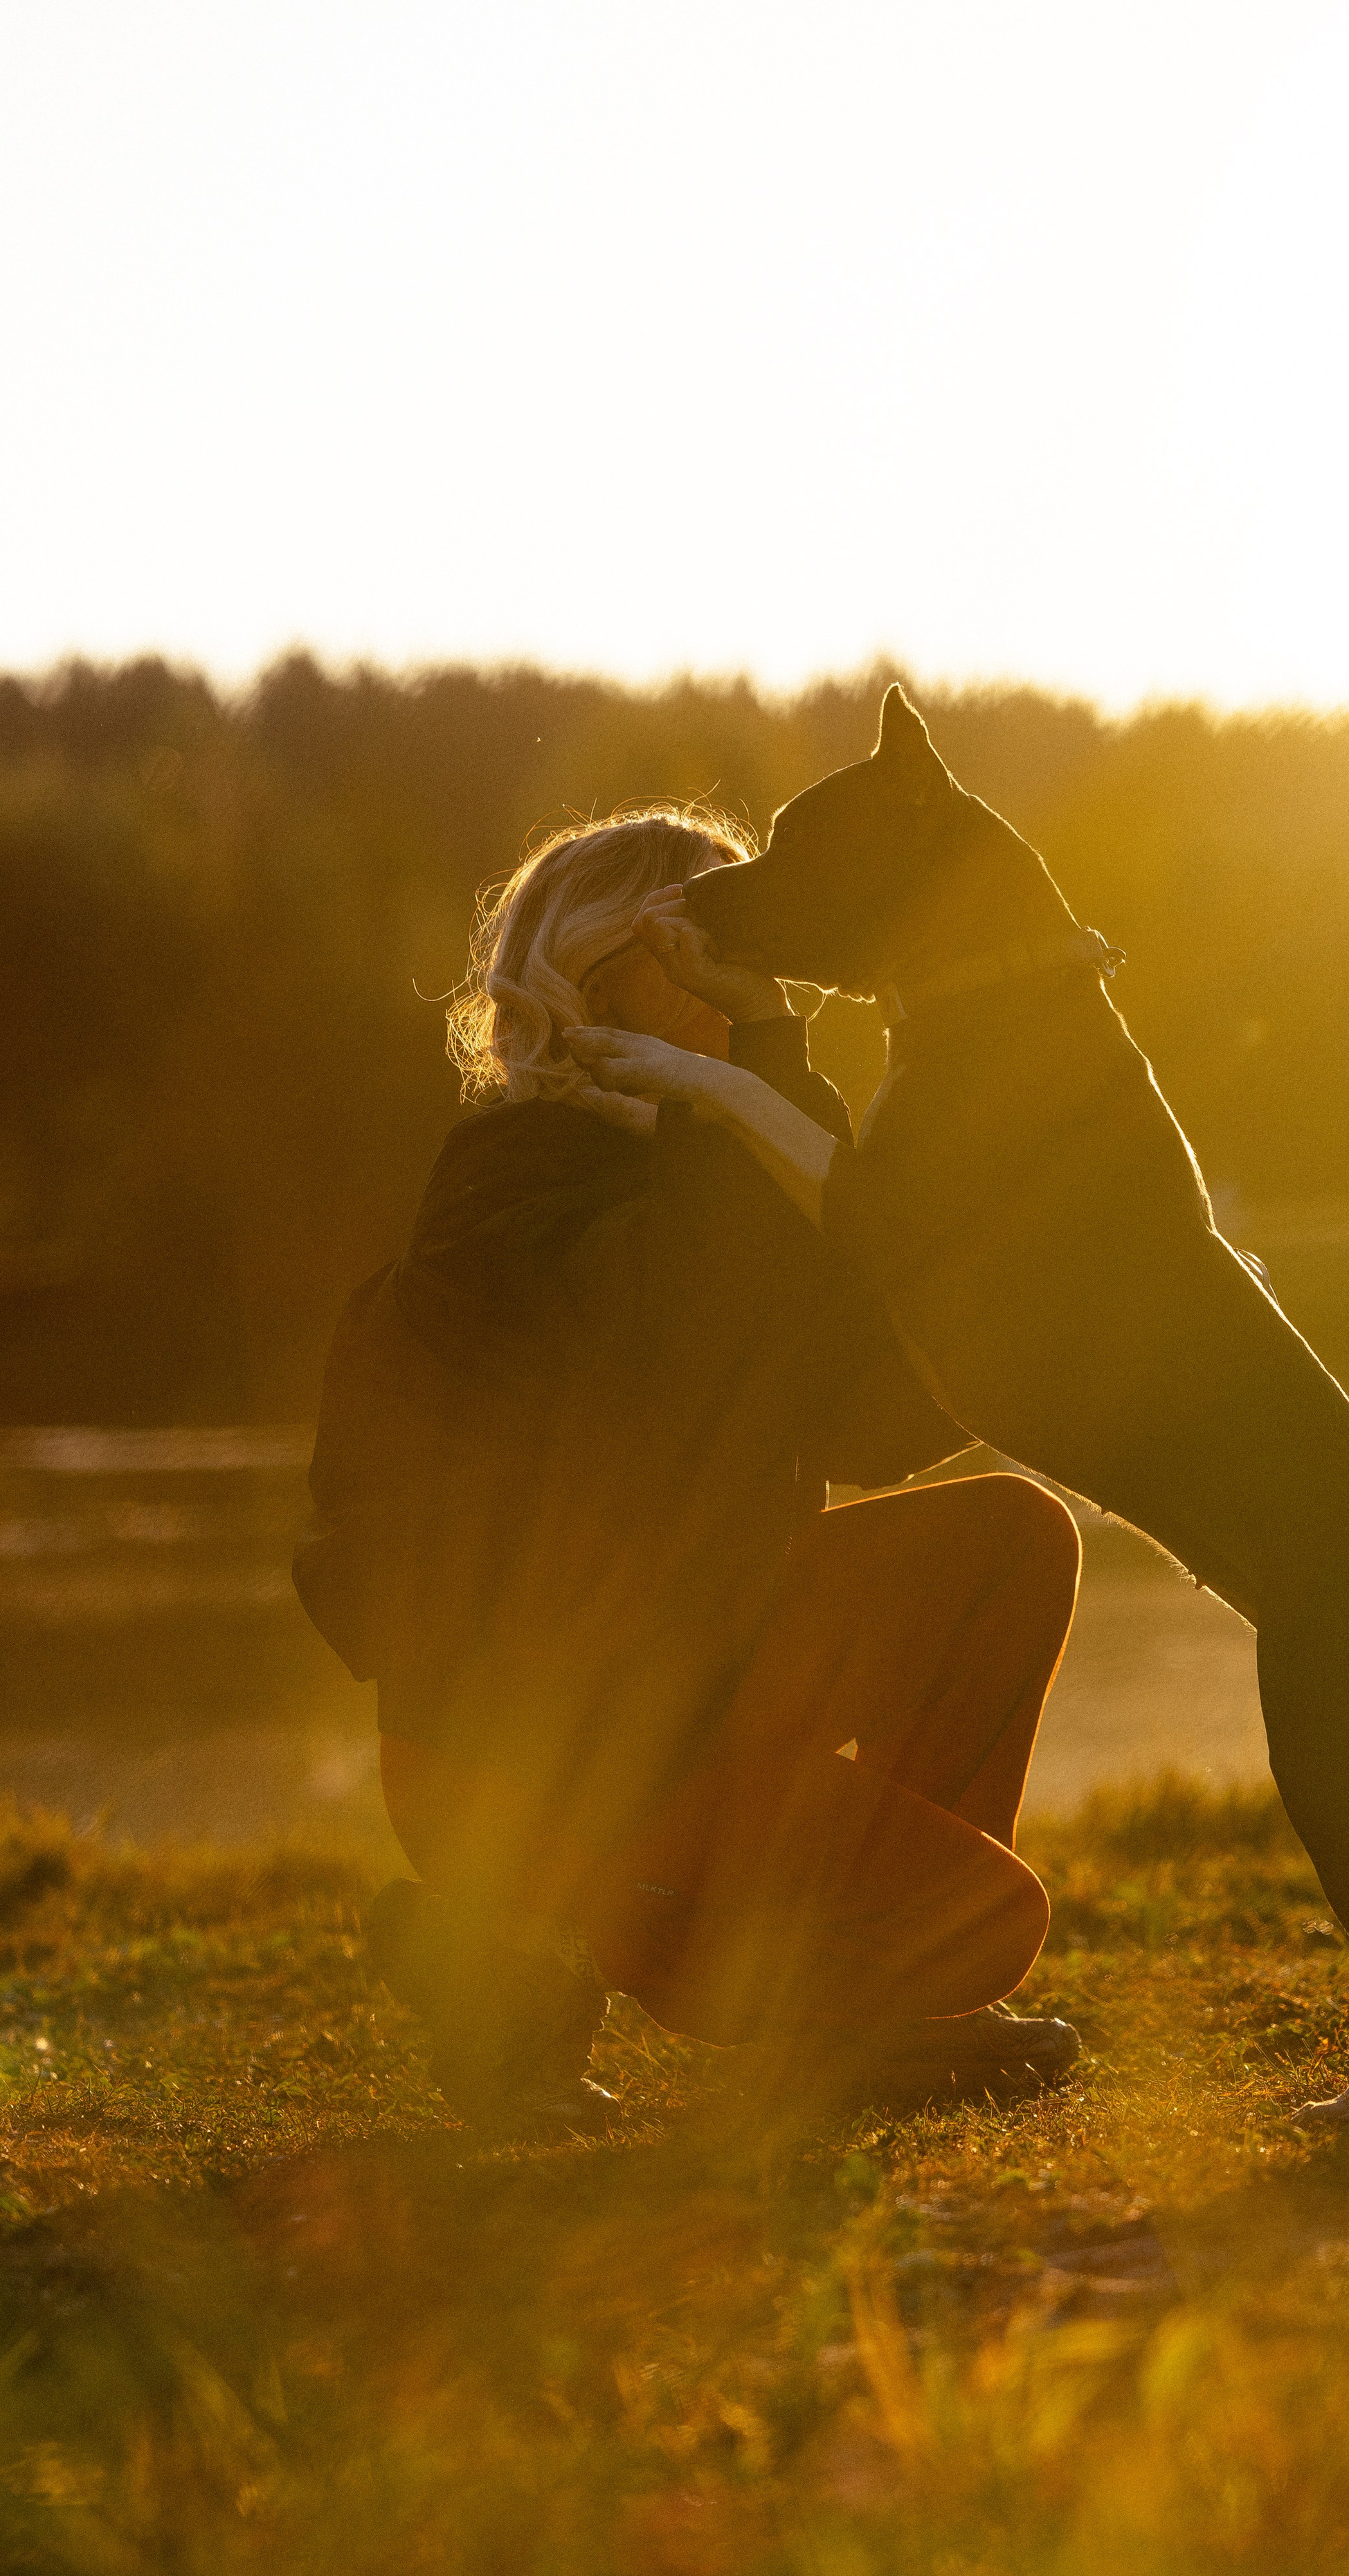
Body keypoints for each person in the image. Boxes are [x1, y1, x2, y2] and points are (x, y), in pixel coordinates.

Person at [294, 806, 1083, 2129]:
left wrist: (1013, 1318)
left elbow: (867, 1423)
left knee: (1005, 1543)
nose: (749, 983)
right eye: (714, 947)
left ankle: (876, 2013)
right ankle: (532, 1949)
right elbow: (684, 1313)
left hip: (692, 1686)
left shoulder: (703, 1157)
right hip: (541, 1761)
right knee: (984, 1918)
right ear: (603, 976)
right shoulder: (514, 1186)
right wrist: (763, 1073)